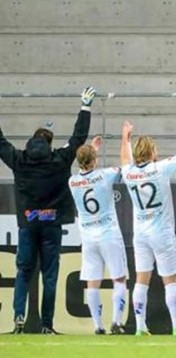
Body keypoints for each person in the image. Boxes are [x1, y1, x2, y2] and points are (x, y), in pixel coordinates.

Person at [0, 87, 95, 334]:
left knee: (23, 273)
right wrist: (85, 108)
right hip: (51, 226)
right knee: (49, 276)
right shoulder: (59, 160)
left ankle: (19, 319)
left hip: (27, 226)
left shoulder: (19, 160)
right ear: (49, 144)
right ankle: (46, 325)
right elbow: (78, 138)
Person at [120, 119, 176, 336]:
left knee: (141, 280)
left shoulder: (129, 173)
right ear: (152, 152)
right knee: (170, 280)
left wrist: (125, 137)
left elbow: (125, 159)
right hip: (161, 231)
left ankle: (140, 326)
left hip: (141, 234)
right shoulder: (160, 168)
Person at [68, 136, 128, 335]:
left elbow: (84, 170)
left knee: (92, 281)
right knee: (119, 278)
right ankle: (117, 322)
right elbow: (126, 167)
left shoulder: (73, 181)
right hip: (108, 233)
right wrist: (125, 139)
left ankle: (97, 325)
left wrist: (90, 151)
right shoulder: (106, 175)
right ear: (95, 160)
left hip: (88, 237)